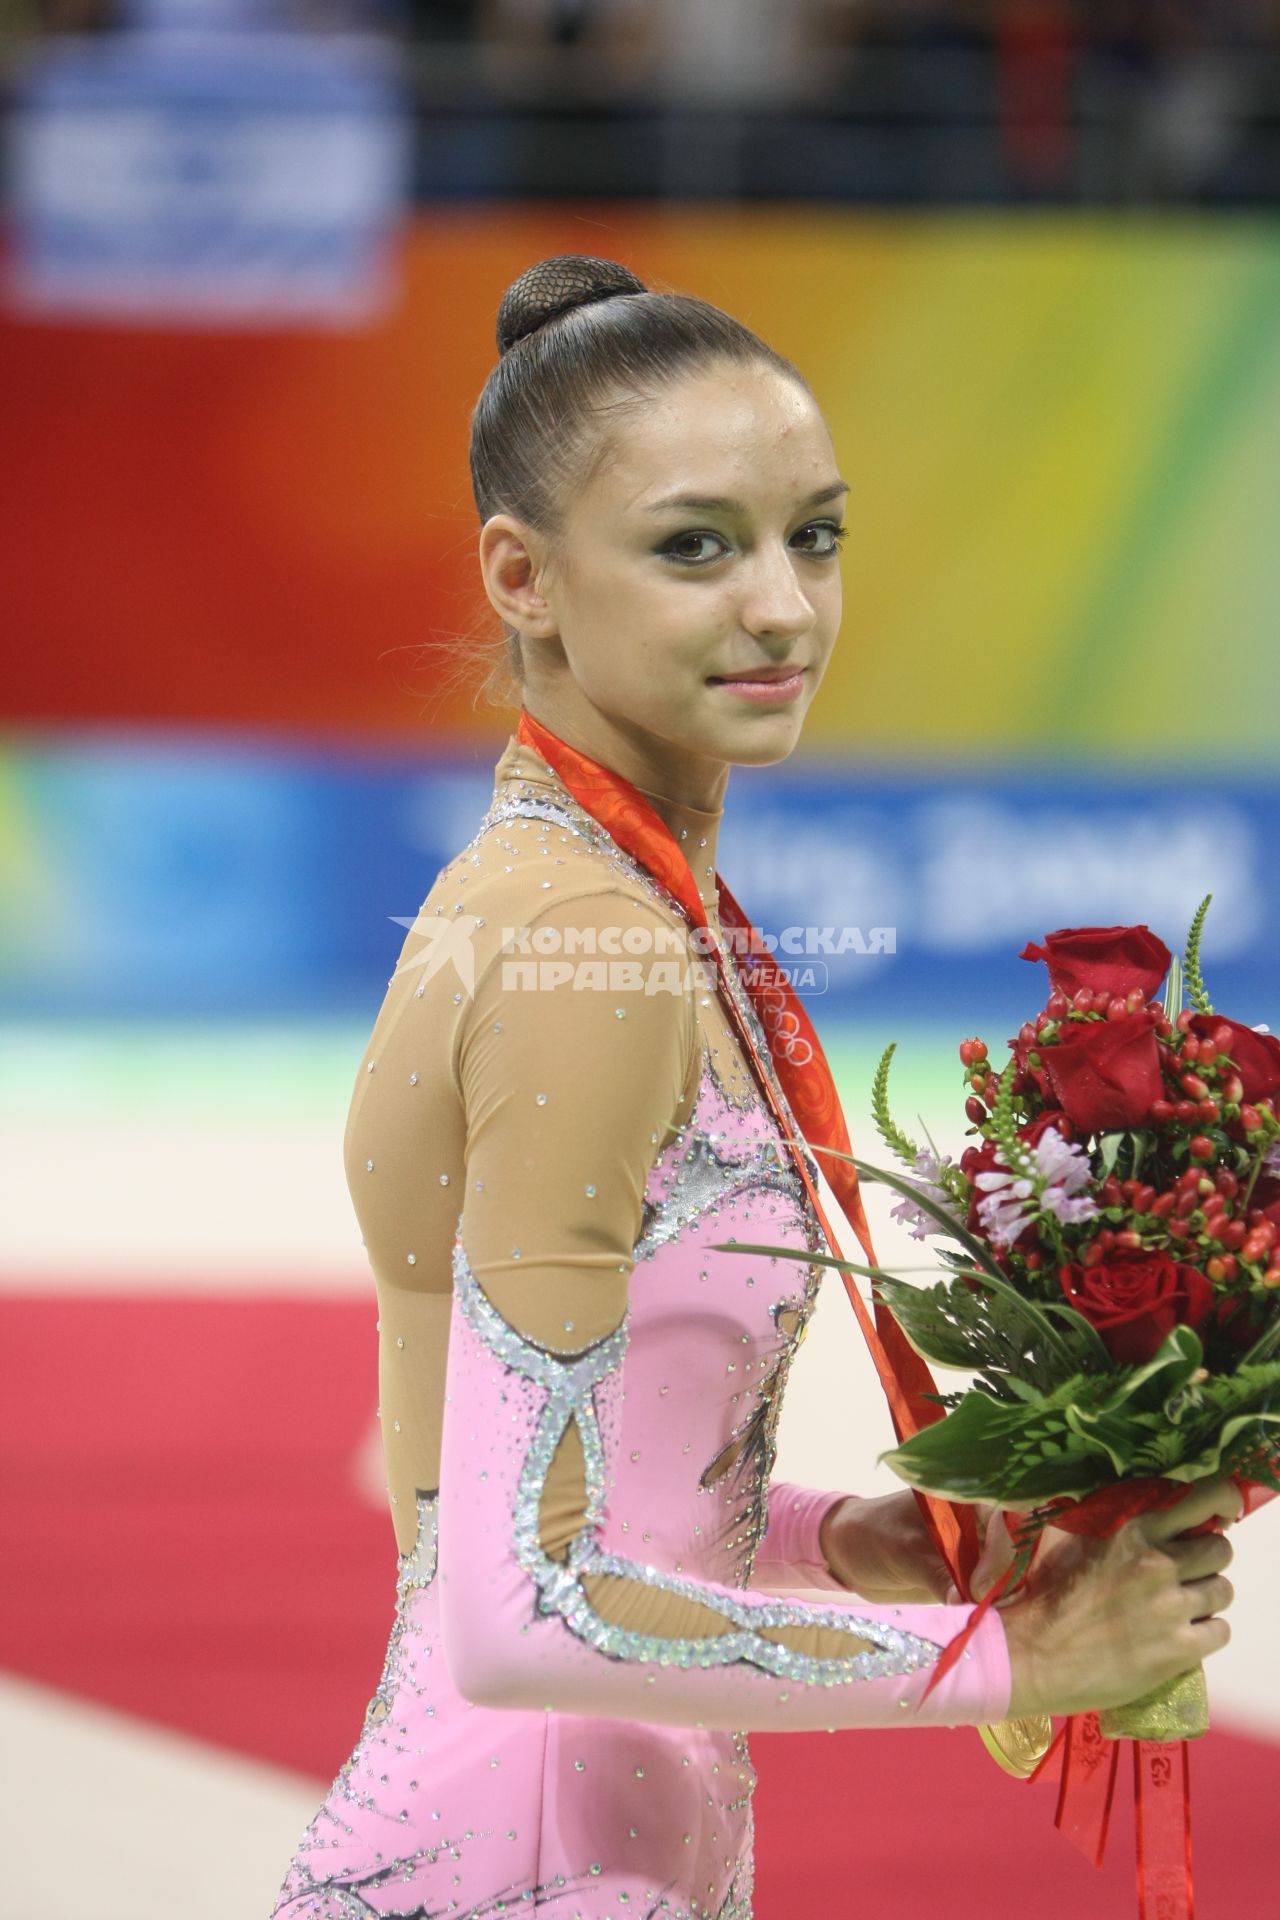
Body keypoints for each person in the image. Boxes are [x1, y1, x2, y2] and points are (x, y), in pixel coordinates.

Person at [269, 254, 1239, 1920]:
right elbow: (516, 1608)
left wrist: (850, 1537)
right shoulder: (591, 943)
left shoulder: (612, 905)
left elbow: (608, 1487)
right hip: (527, 1858)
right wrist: (1008, 1655)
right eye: (696, 545)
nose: (785, 605)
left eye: (818, 533)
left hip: (589, 1841)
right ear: (524, 574)